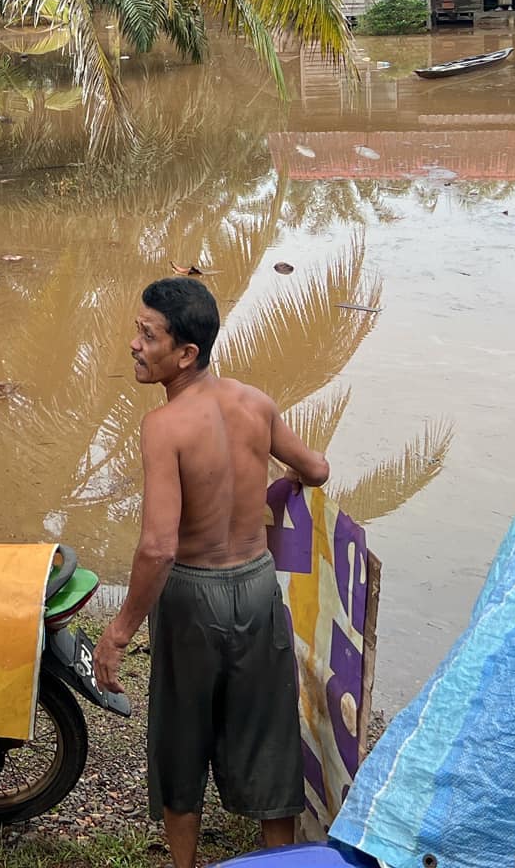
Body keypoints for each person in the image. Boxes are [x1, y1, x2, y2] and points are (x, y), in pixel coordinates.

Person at [93, 276, 330, 867]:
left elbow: (157, 548)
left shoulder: (164, 427)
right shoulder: (256, 403)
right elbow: (318, 468)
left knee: (181, 733)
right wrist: (281, 483)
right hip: (255, 586)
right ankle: (279, 862)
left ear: (185, 353)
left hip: (193, 596)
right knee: (267, 732)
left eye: (147, 336)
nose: (134, 345)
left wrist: (118, 631)